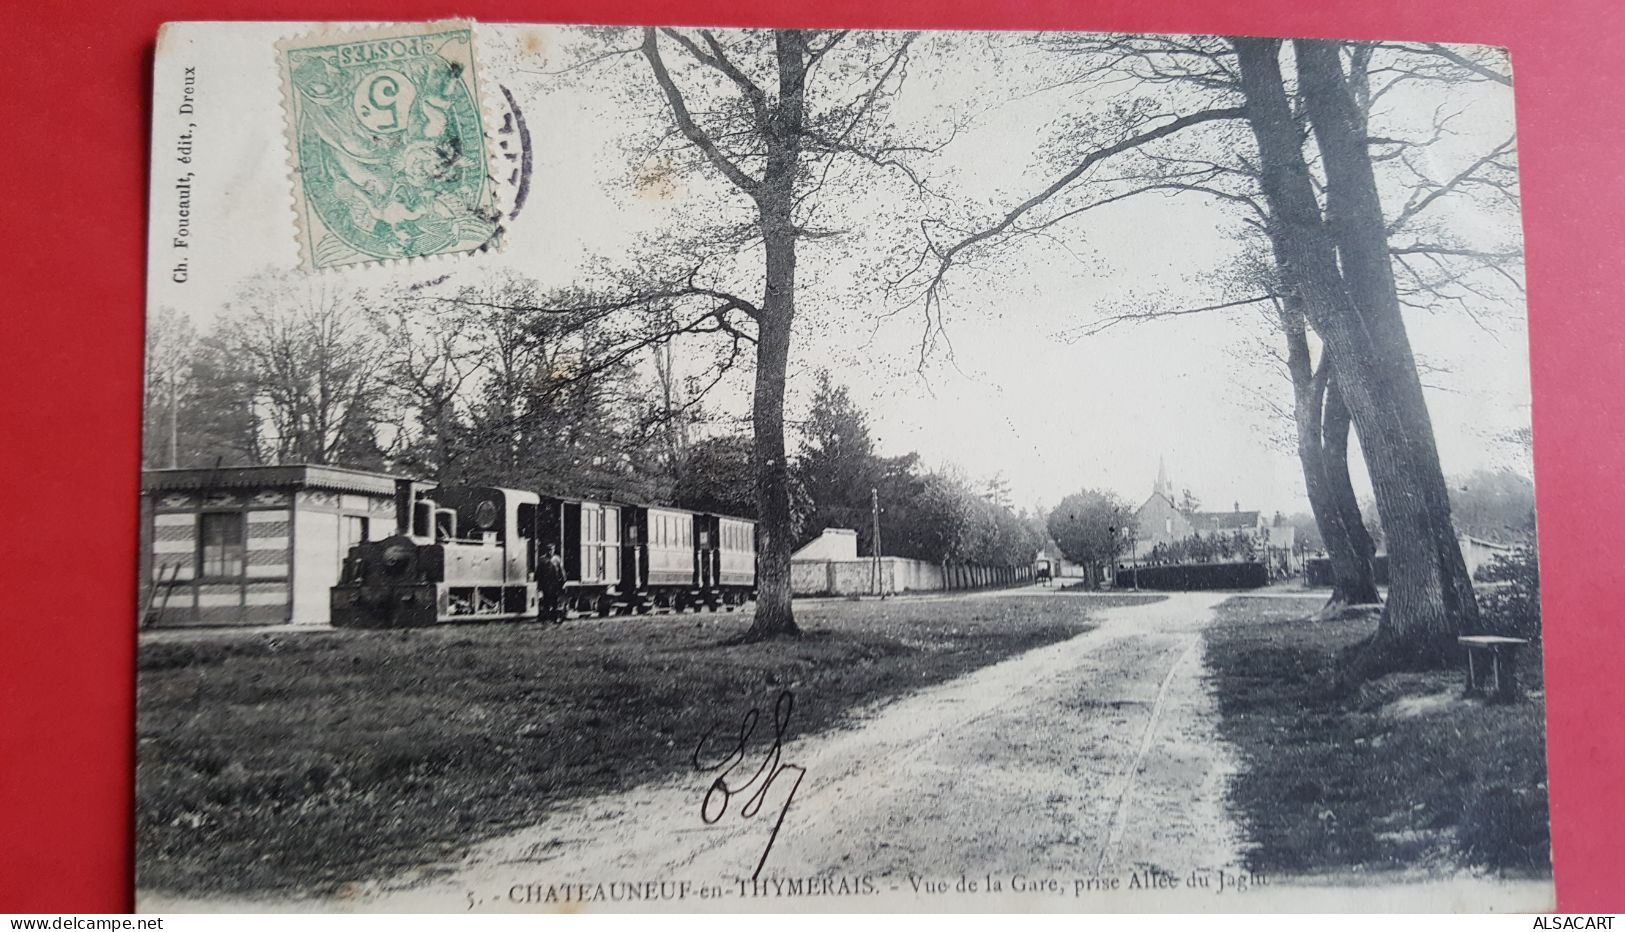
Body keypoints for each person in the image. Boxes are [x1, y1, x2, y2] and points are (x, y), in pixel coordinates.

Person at [539, 543, 567, 623]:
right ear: (546, 551)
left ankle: (554, 618)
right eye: (549, 550)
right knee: (546, 600)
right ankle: (546, 617)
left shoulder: (557, 559)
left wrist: (564, 581)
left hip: (555, 583)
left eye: (552, 550)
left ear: (554, 550)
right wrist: (539, 584)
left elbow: (561, 570)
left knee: (555, 600)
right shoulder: (542, 560)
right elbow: (539, 572)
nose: (550, 552)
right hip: (546, 583)